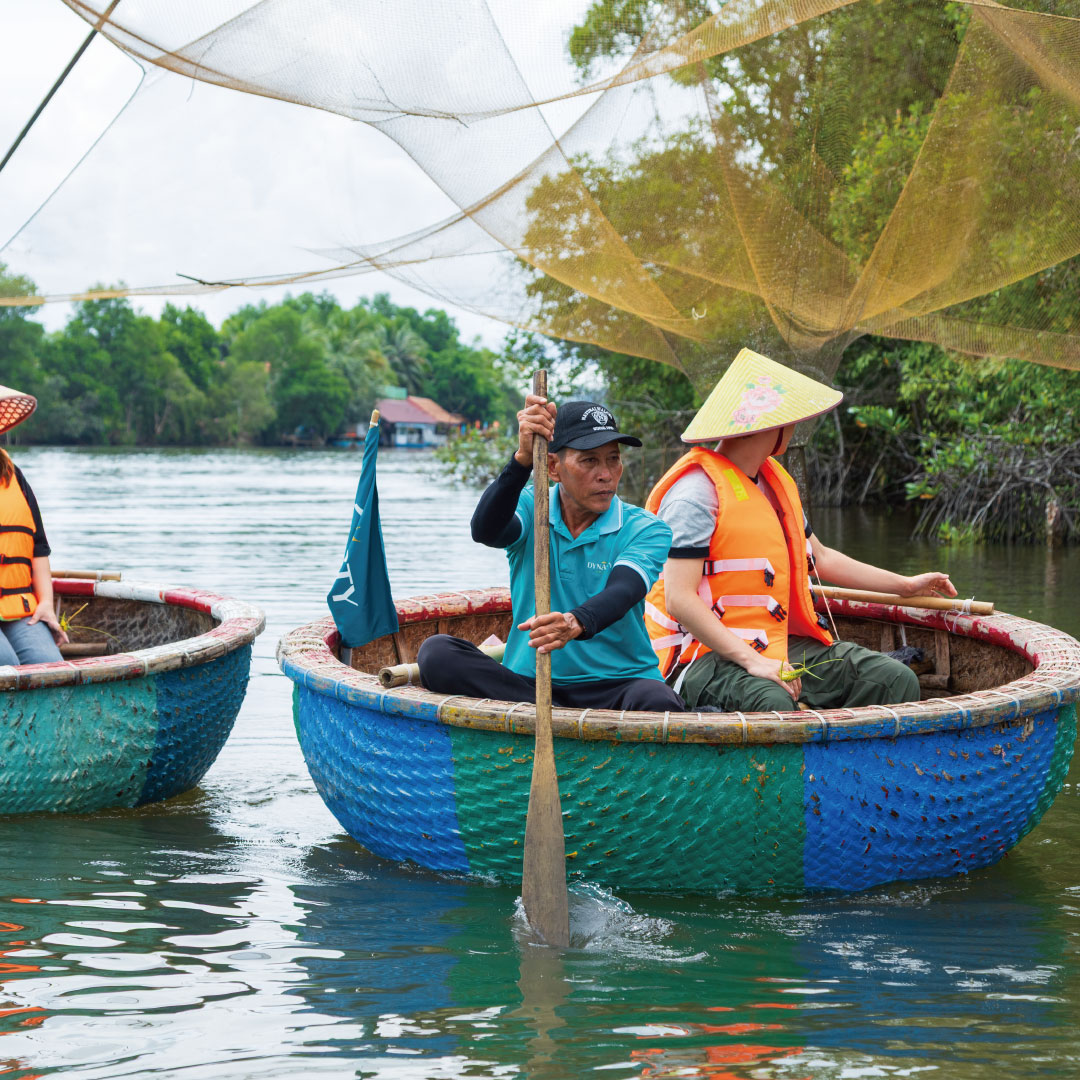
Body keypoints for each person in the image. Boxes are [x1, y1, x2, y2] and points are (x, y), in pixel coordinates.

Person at [644, 348, 956, 713]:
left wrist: (905, 585)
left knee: (891, 678)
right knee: (772, 700)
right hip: (701, 659)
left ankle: (848, 769)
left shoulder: (775, 482)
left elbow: (819, 557)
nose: (794, 428)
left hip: (775, 646)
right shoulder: (695, 492)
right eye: (789, 420)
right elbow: (680, 600)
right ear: (769, 426)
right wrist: (752, 661)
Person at [419, 394, 685, 711]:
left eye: (613, 459)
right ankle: (550, 714)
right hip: (529, 685)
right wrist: (521, 460)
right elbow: (486, 531)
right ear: (554, 467)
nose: (606, 474)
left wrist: (575, 622)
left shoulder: (645, 528)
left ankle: (554, 718)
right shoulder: (532, 506)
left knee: (657, 701)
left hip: (617, 686)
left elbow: (623, 590)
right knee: (436, 654)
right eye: (590, 460)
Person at [0, 385, 68, 666]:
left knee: (49, 665)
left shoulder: (14, 476)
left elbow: (38, 550)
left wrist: (46, 606)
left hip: (19, 607)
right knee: (7, 666)